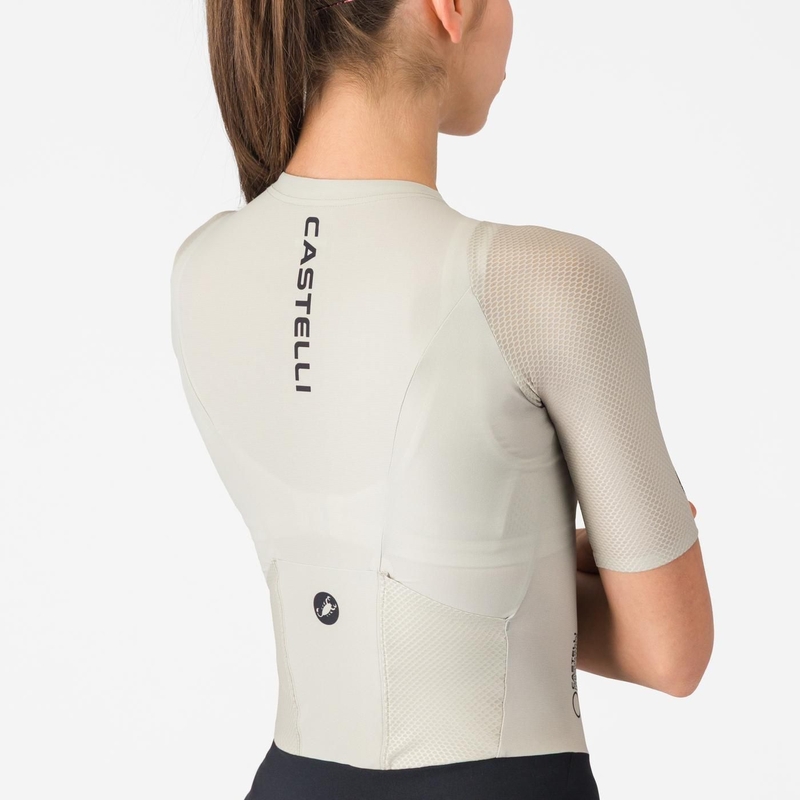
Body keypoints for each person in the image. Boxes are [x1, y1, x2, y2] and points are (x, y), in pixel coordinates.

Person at [170, 1, 714, 797]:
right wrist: (544, 570)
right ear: (450, 8)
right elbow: (670, 651)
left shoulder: (200, 270)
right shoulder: (543, 283)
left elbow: (353, 563)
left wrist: (511, 563)